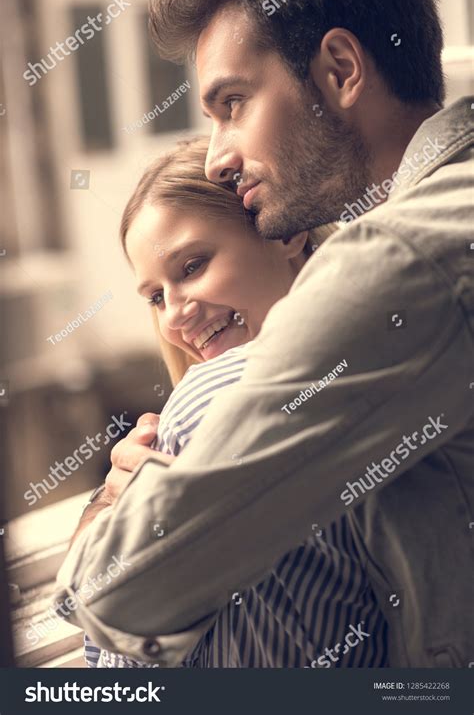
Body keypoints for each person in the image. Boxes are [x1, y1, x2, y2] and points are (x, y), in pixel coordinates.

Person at [55, 0, 473, 667]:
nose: (217, 155)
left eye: (232, 103)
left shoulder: (399, 261)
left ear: (341, 69)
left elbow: (123, 587)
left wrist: (105, 513)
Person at [83, 136, 387, 668]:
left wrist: (107, 523)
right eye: (156, 297)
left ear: (285, 232)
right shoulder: (379, 344)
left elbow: (119, 676)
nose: (174, 315)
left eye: (192, 266)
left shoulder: (208, 401)